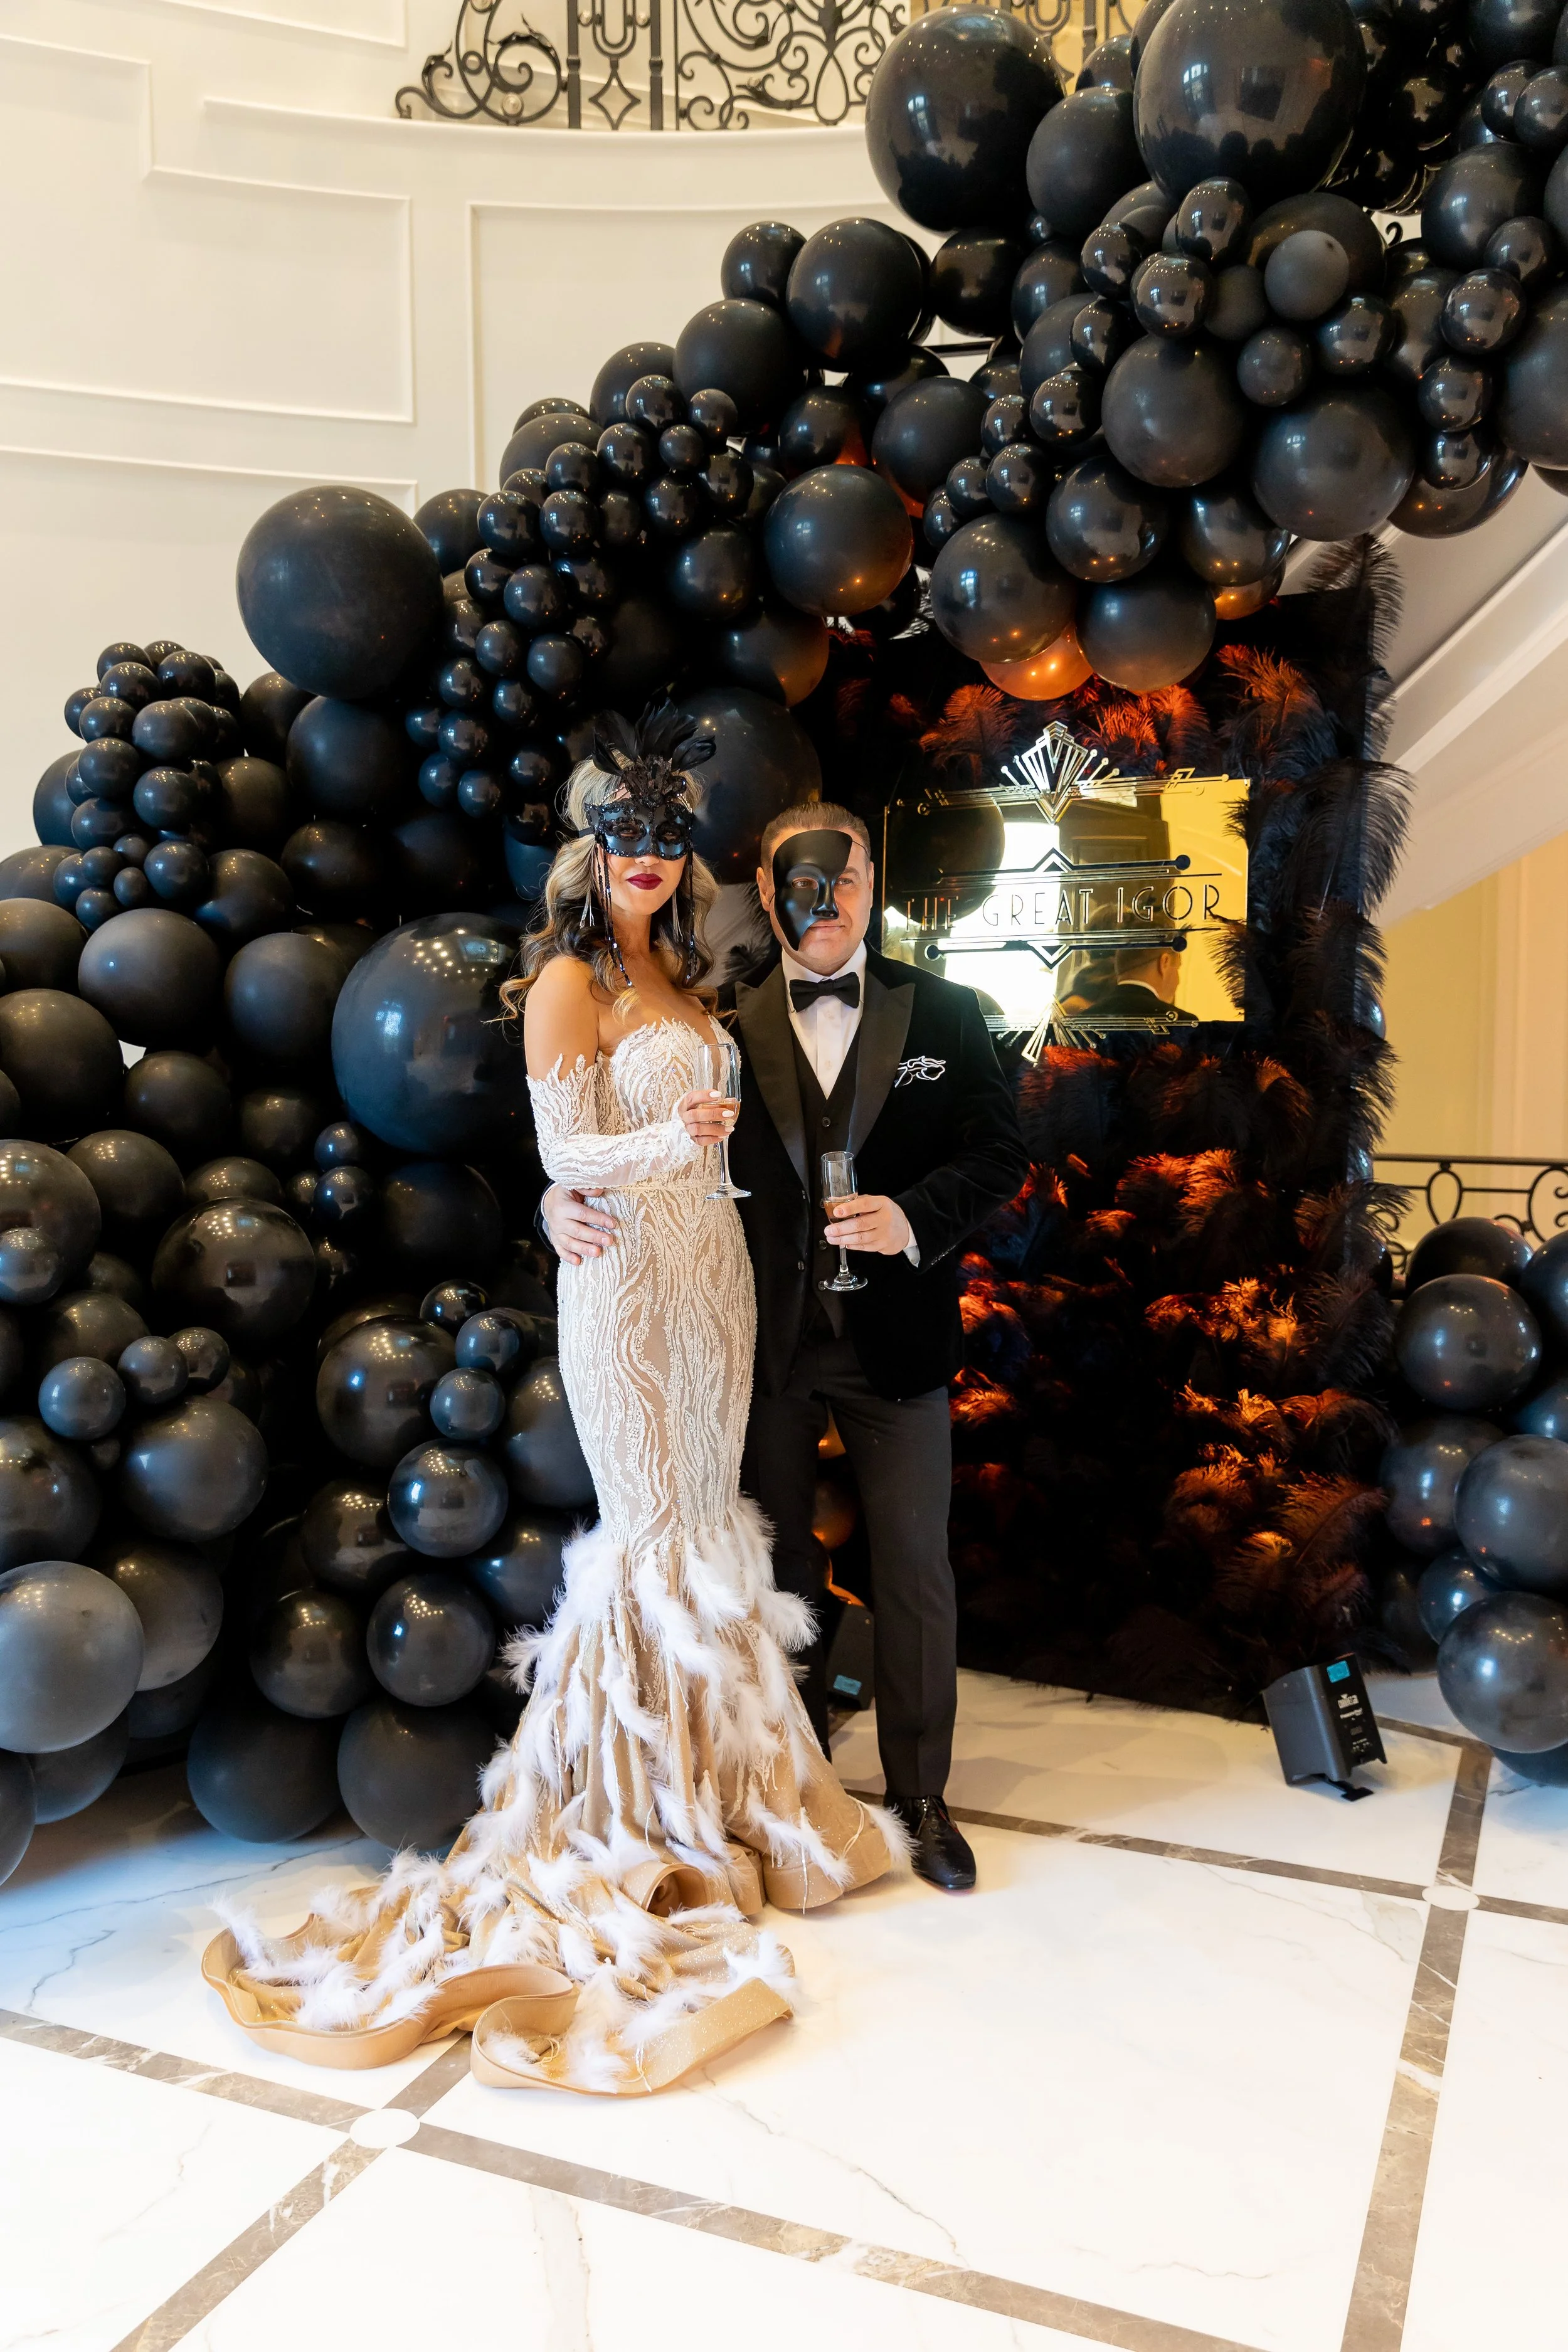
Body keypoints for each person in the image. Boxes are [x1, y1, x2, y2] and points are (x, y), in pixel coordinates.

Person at [204, 710, 901, 2097]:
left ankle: (718, 1800)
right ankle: (627, 1810)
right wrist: (656, 1142)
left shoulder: (691, 980)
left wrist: (700, 1155)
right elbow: (562, 1143)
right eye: (623, 837)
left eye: (665, 839)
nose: (645, 860)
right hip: (627, 1283)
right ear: (591, 850)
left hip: (712, 1275)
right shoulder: (567, 983)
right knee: (647, 1526)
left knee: (707, 1520)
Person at [544, 801, 1029, 1893]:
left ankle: (919, 1795)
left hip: (897, 1342)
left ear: (871, 882)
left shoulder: (947, 1015)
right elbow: (621, 1135)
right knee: (779, 1571)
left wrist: (915, 1218)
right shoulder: (723, 1023)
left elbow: (1001, 1153)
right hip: (757, 1347)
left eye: (846, 880)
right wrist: (551, 1196)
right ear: (767, 894)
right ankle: (793, 1789)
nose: (828, 902)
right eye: (802, 885)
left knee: (913, 1570)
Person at [1086, 939, 1197, 1023]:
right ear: (1165, 962)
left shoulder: (1081, 1021)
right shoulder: (1182, 1022)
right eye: (1177, 968)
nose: (1178, 981)